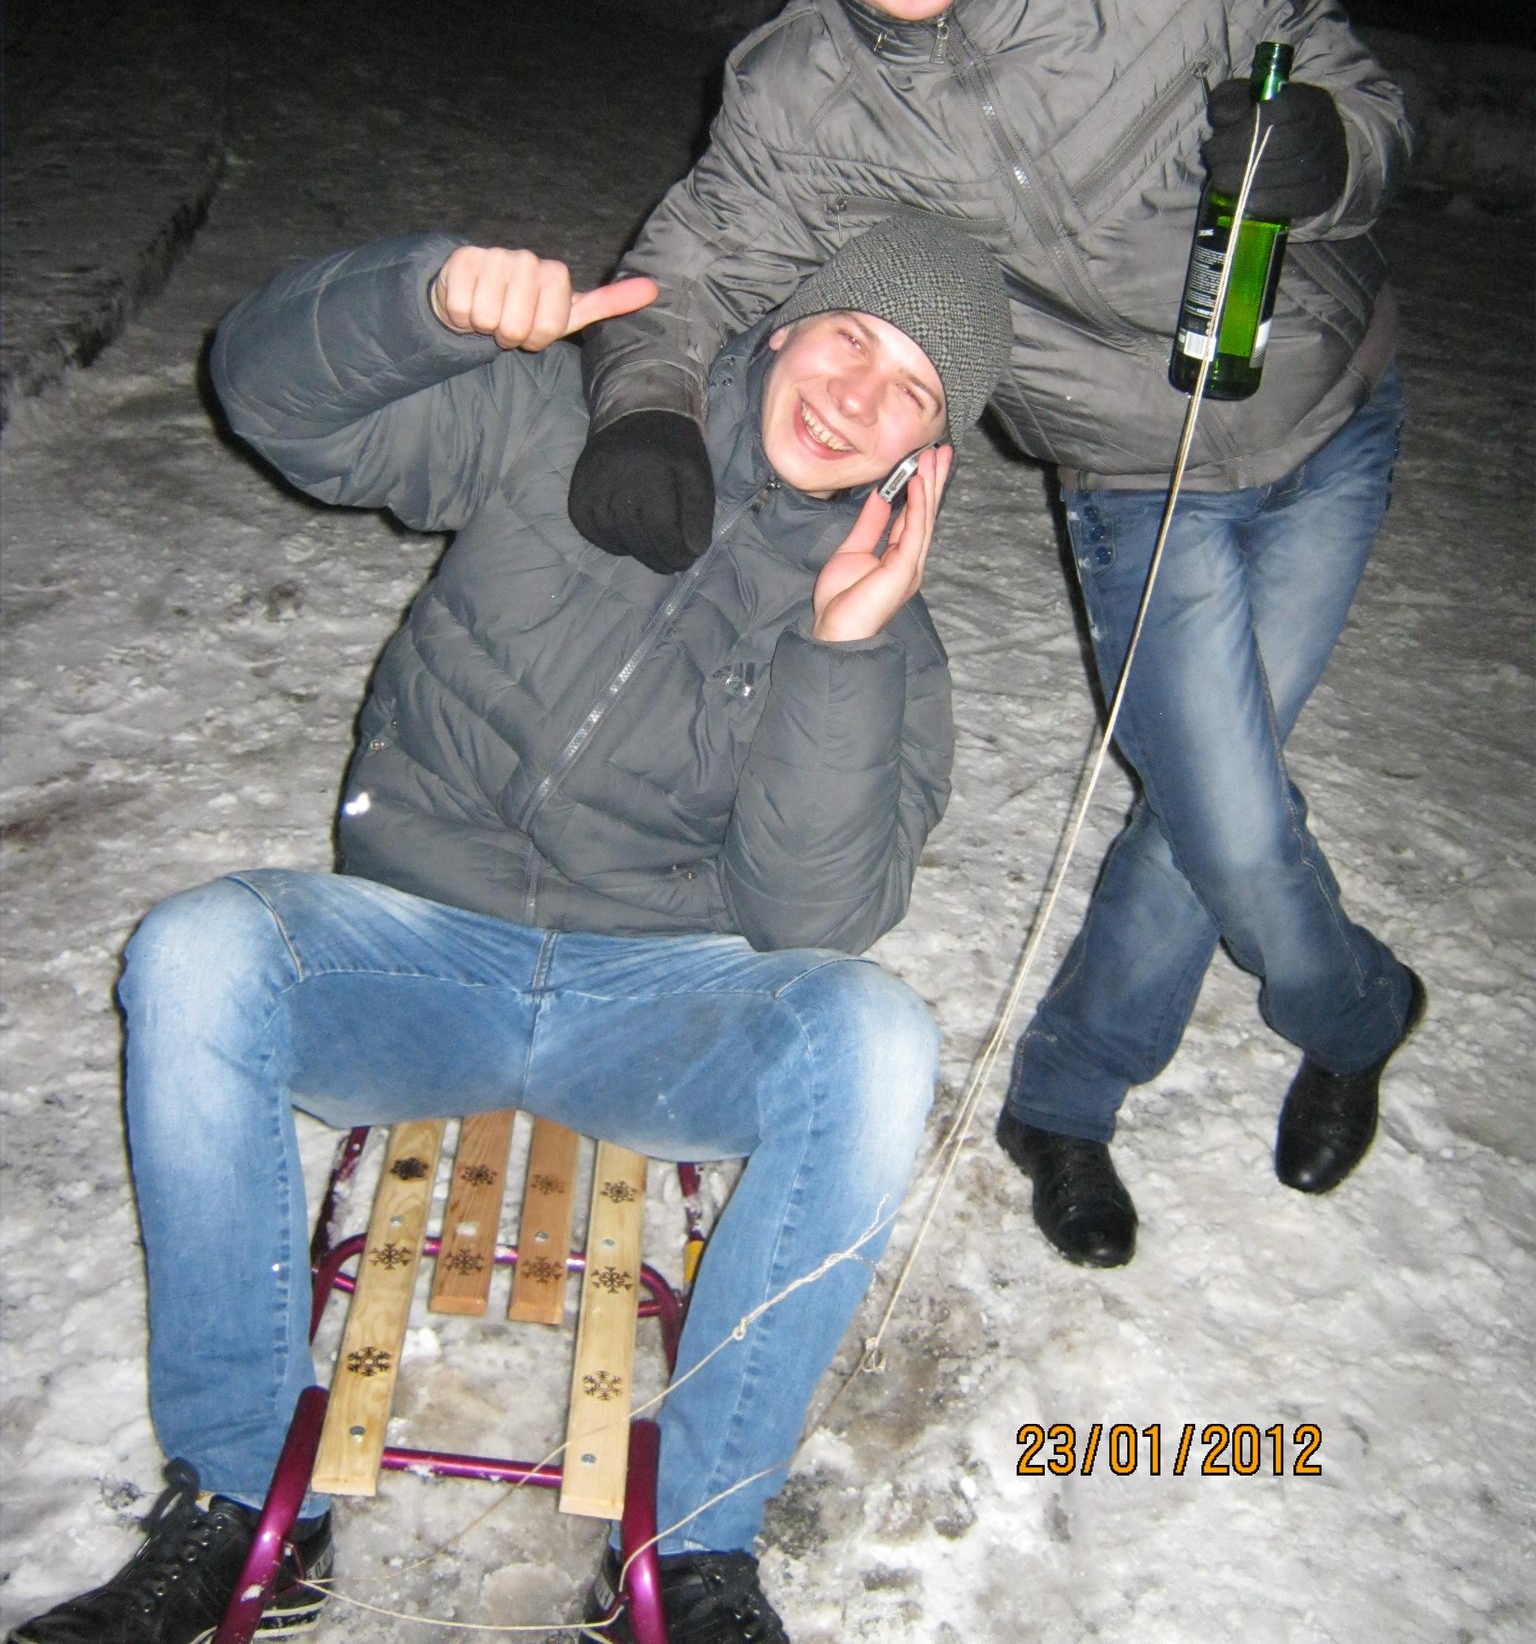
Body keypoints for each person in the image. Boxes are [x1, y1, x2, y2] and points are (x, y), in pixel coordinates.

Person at [6, 212, 1014, 1644]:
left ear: (930, 451)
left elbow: (814, 920)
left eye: (910, 389)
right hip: (418, 949)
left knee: (876, 1037)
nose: (856, 395)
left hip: (649, 1008)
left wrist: (841, 652)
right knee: (198, 952)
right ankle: (239, 1502)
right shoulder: (571, 424)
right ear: (786, 326)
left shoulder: (896, 643)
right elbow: (271, 401)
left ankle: (698, 1549)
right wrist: (422, 299)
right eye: (850, 337)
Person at [556, 0, 1424, 1272]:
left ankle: (1064, 1102)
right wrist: (645, 411)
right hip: (1131, 475)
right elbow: (687, 265)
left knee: (1204, 796)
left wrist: (1329, 155)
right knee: (1225, 806)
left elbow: (1363, 96)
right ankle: (1358, 1010)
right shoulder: (804, 95)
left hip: (1328, 419)